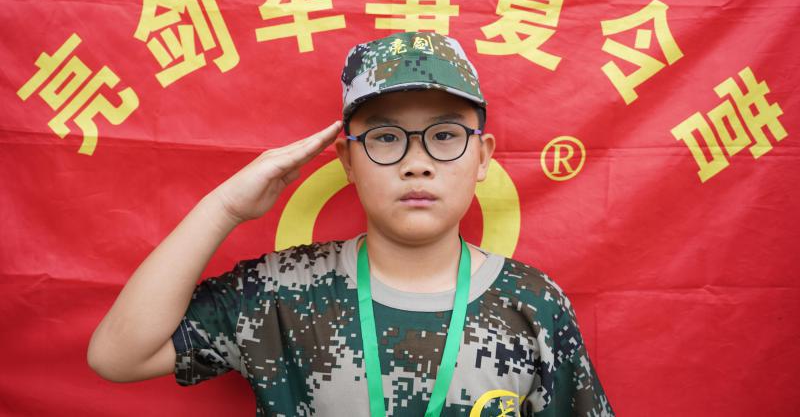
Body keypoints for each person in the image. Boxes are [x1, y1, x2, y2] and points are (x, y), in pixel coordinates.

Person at [87, 31, 614, 416]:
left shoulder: (533, 304)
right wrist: (224, 207)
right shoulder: (279, 292)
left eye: (444, 135)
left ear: (482, 157)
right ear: (347, 161)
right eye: (385, 138)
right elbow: (117, 357)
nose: (417, 163)